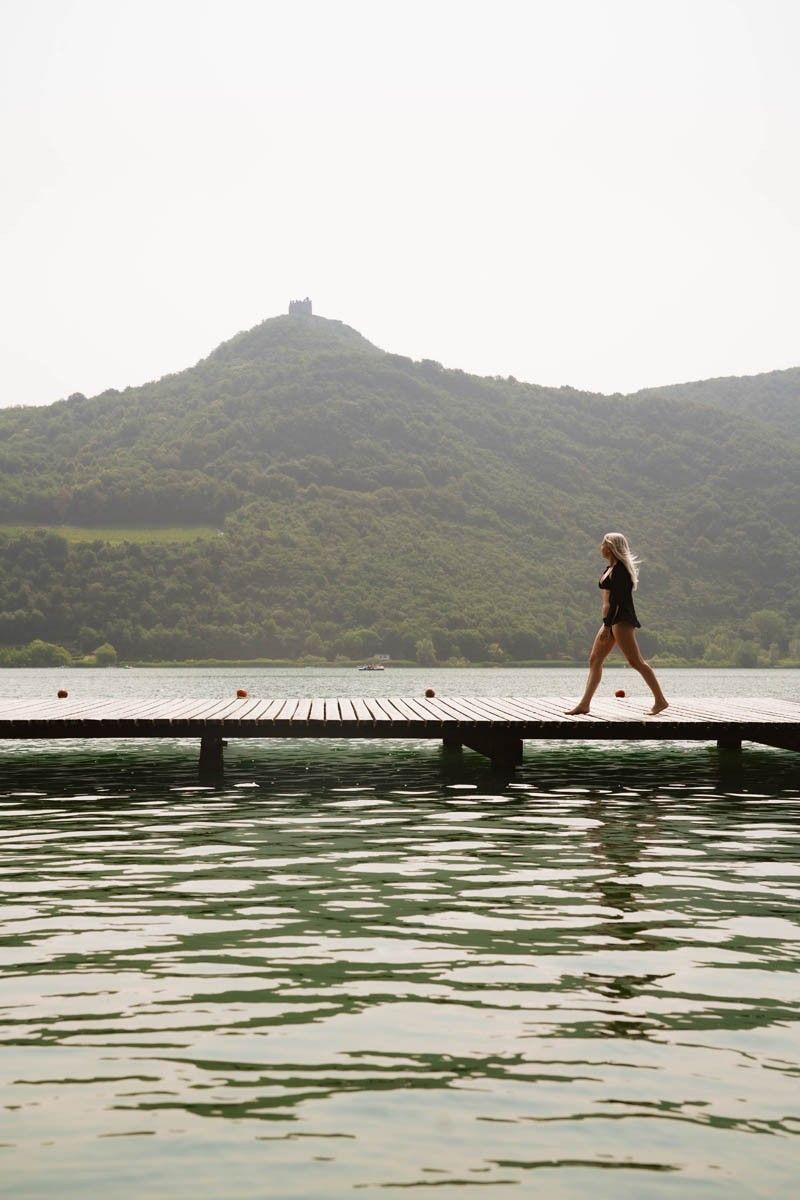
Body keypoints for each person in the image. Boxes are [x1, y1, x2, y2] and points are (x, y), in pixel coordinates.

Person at [566, 532, 668, 716]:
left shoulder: (620, 570)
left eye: (604, 544)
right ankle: (584, 704)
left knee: (635, 661)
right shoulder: (610, 568)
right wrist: (606, 623)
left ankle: (660, 700)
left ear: (611, 547)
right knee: (595, 660)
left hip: (620, 620)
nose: (601, 547)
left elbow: (617, 601)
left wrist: (607, 625)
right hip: (610, 620)